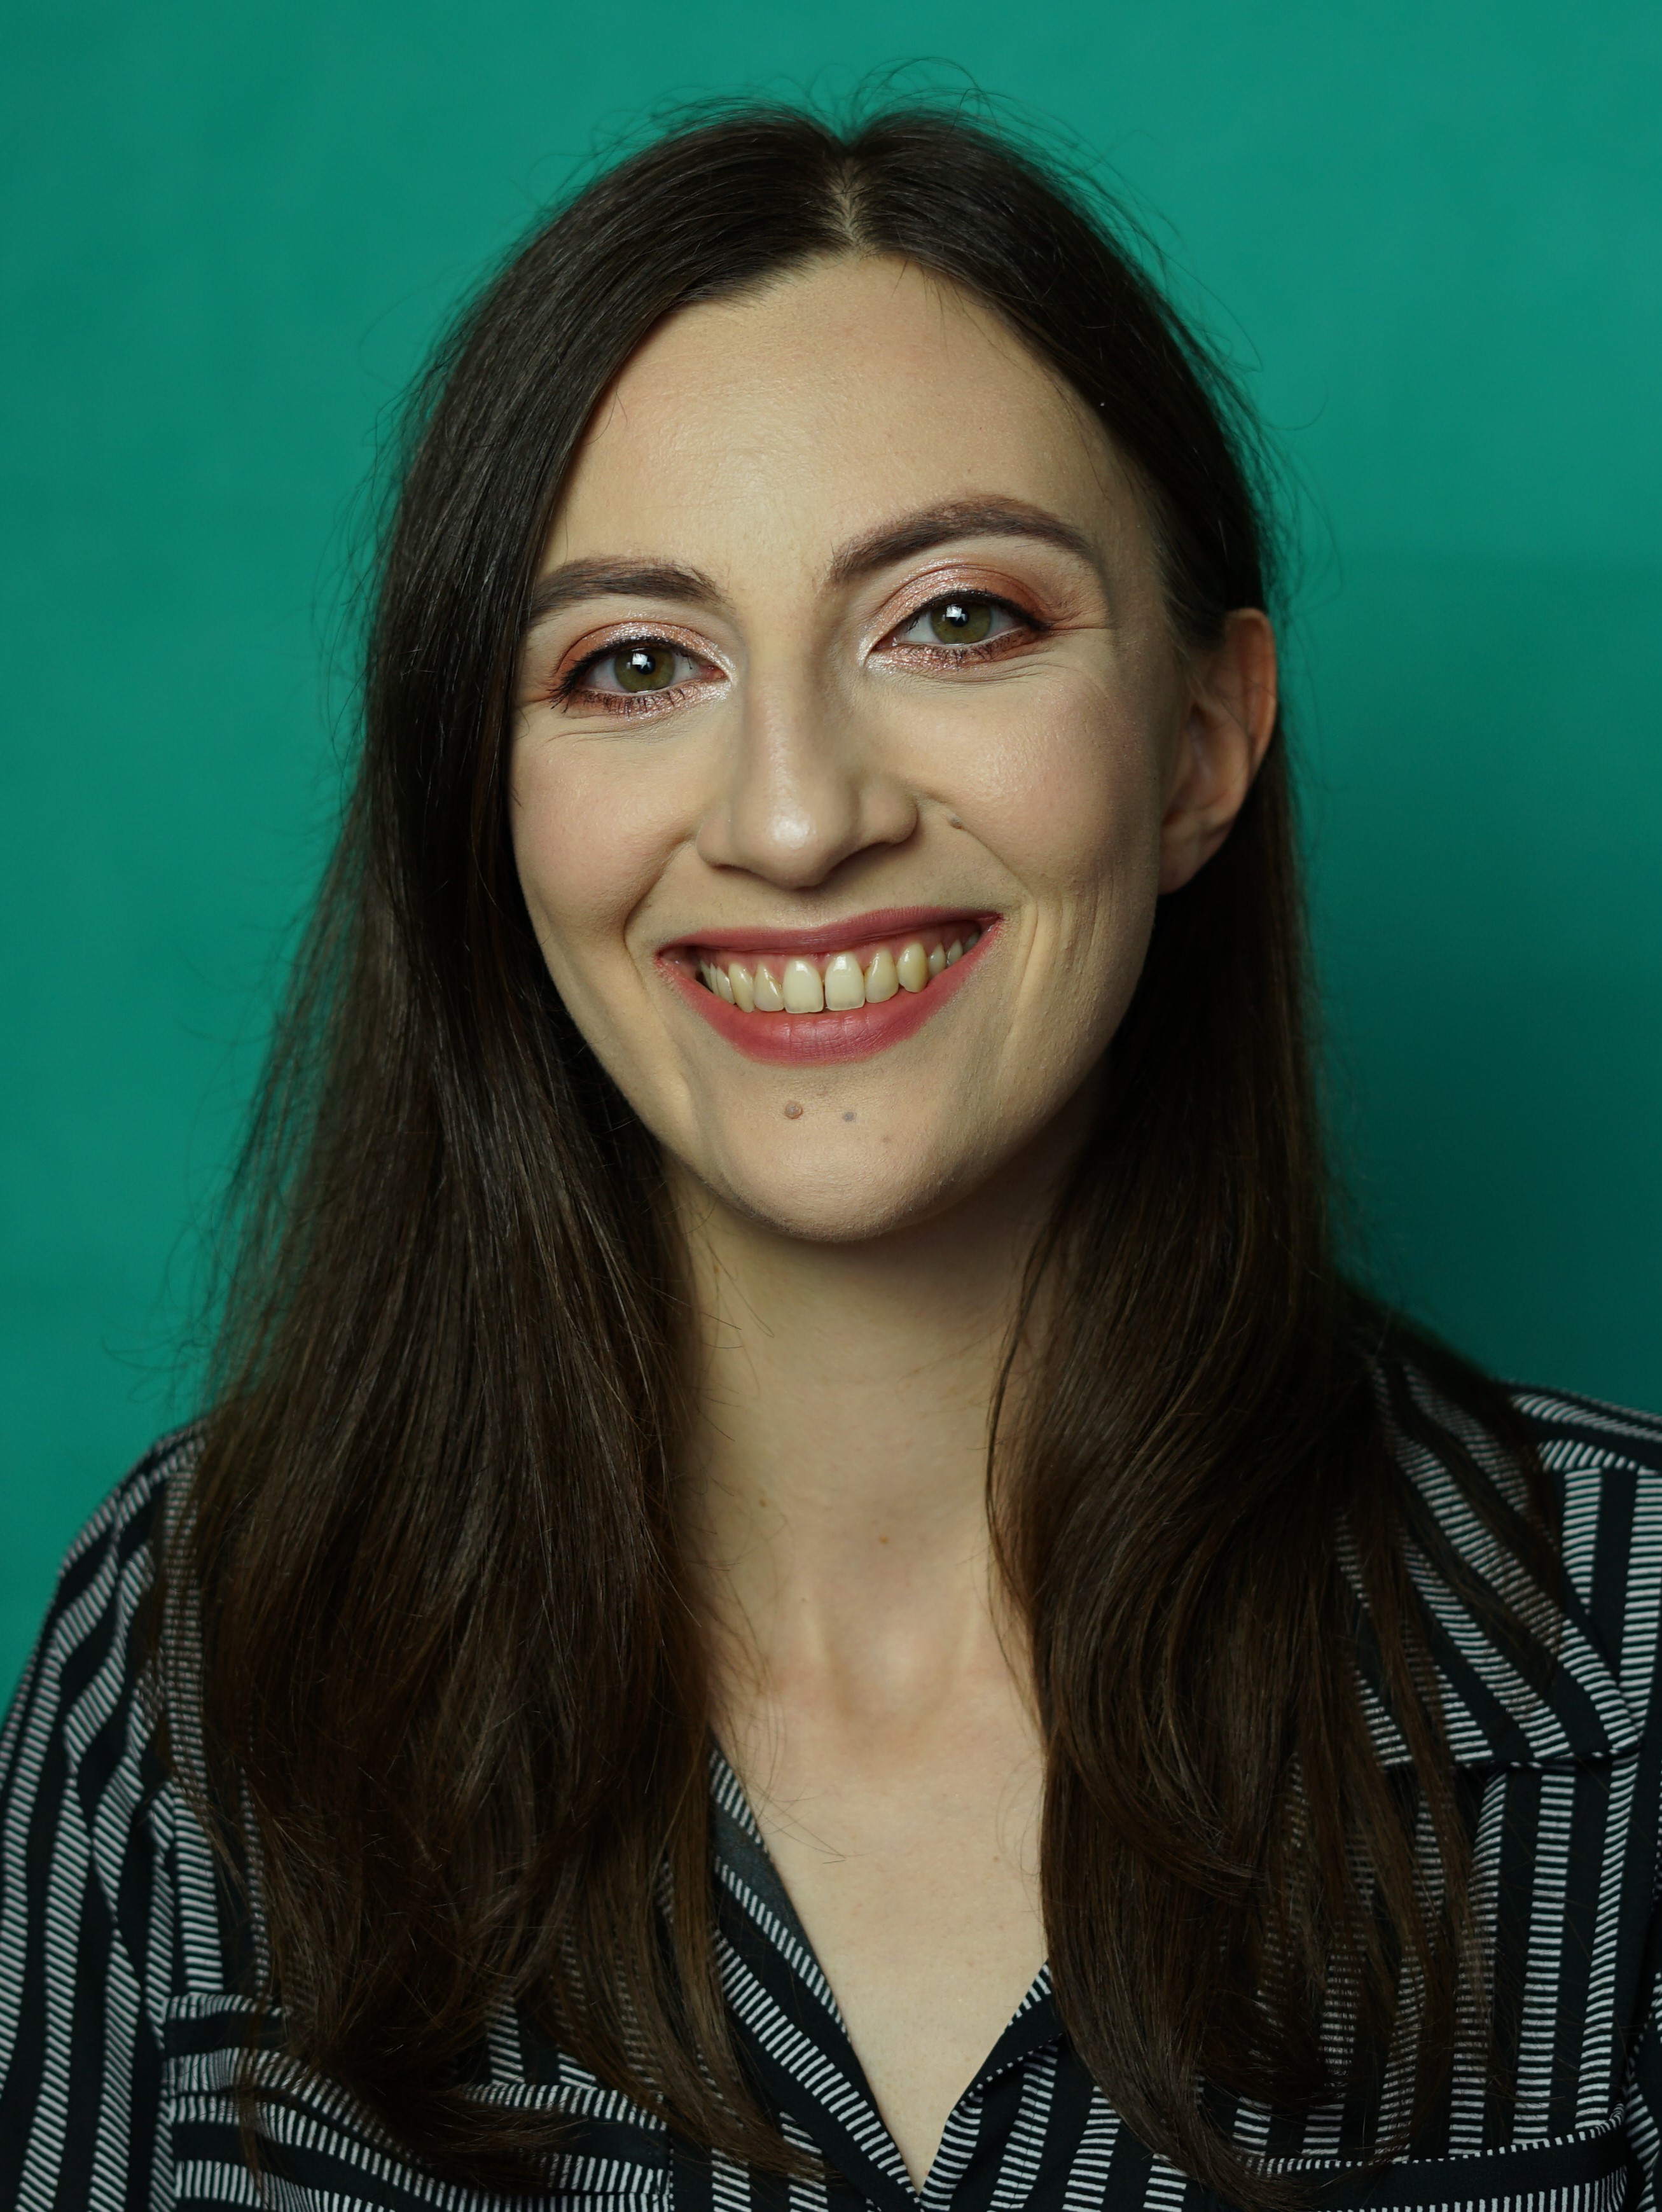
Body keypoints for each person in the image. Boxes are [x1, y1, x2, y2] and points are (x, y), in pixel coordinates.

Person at [2, 101, 1659, 2212]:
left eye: (957, 621)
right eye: (633, 664)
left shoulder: (1633, 1654)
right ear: (486, 804)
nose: (796, 821)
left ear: (1200, 744)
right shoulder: (196, 1659)